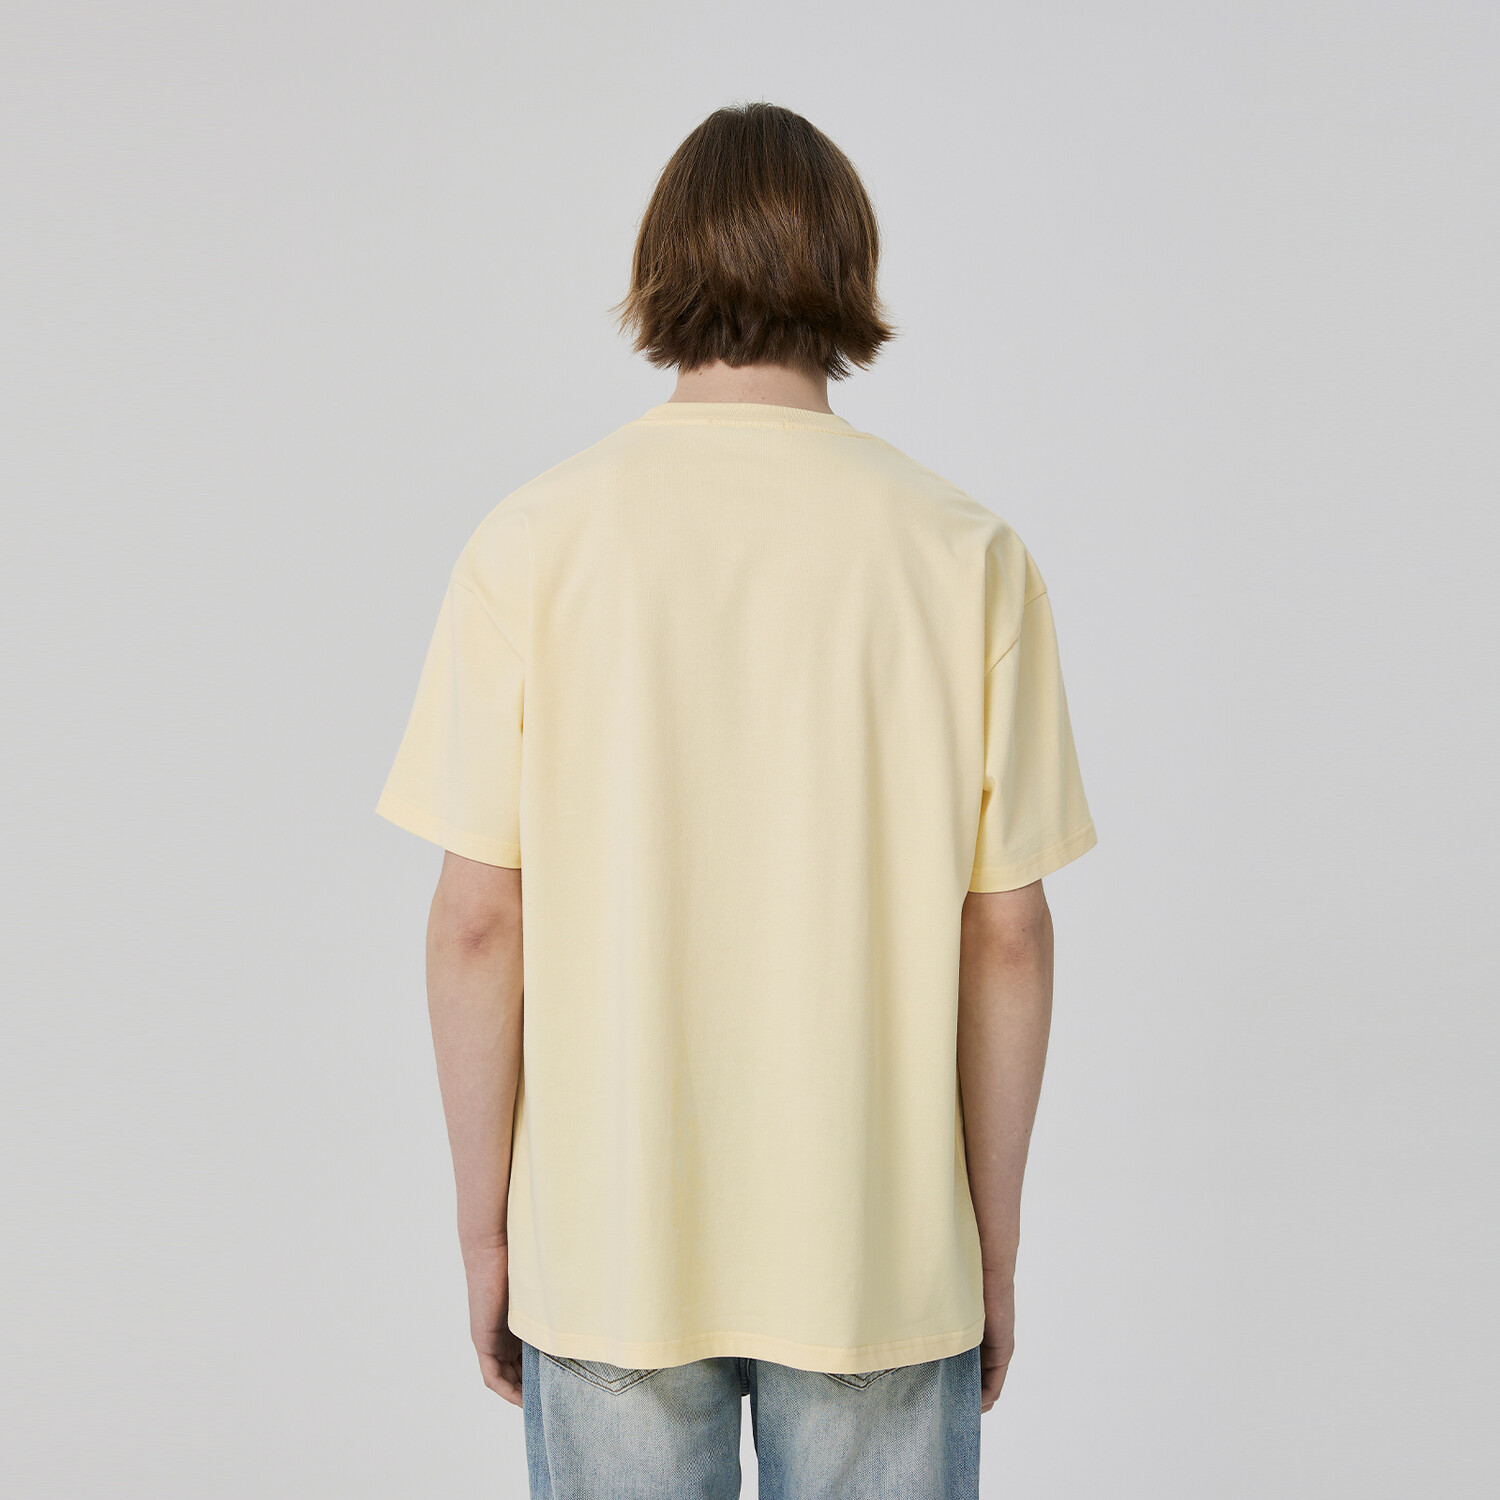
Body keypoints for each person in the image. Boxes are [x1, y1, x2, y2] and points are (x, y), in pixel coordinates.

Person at [377, 101, 1096, 1500]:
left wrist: (486, 1232)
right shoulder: (966, 555)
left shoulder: (532, 543)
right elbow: (1007, 934)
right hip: (882, 1252)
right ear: (849, 268)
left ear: (660, 267)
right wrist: (991, 1246)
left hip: (610, 1249)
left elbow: (476, 922)